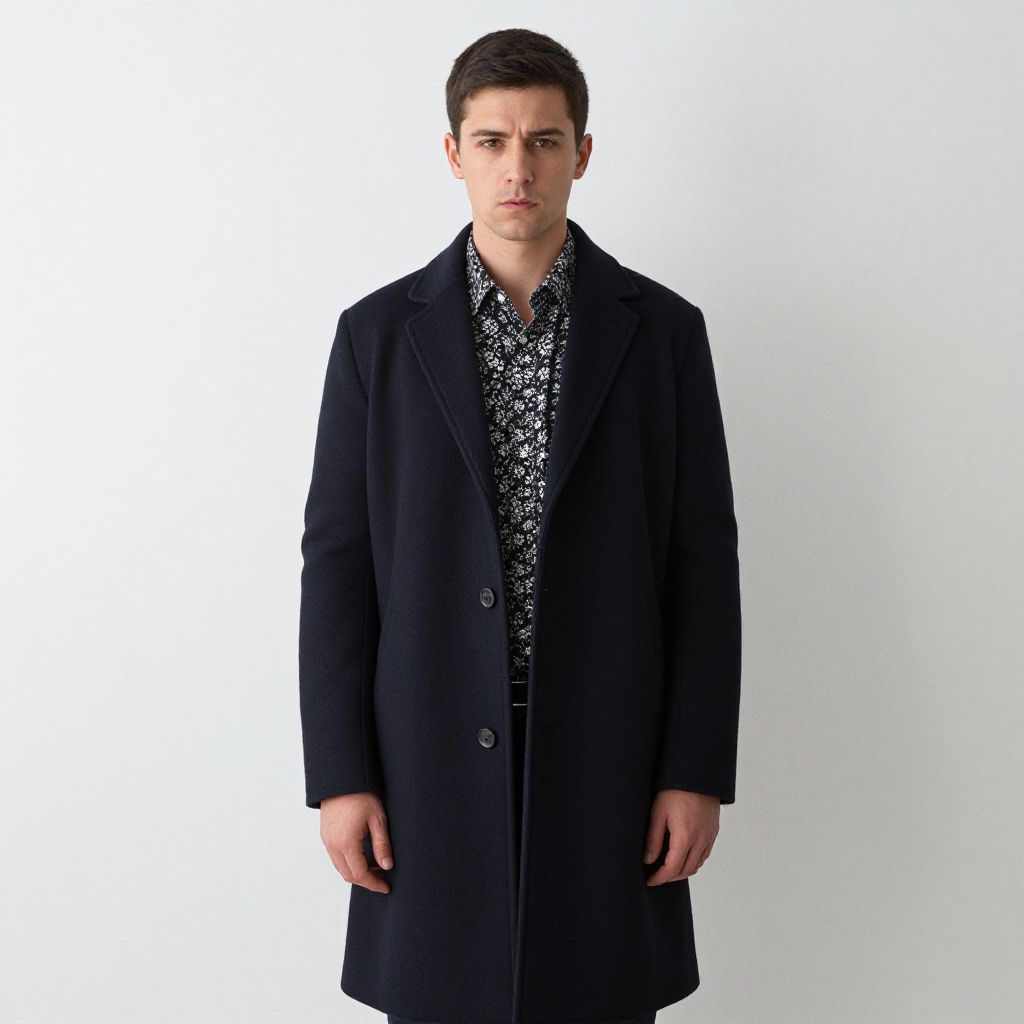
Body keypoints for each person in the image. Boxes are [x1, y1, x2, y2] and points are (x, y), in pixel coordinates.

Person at [299, 27, 742, 1024]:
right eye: (492, 141)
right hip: (424, 756)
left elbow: (701, 565)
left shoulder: (663, 333)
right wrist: (340, 775)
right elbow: (338, 565)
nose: (518, 167)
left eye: (544, 141)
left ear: (581, 153)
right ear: (452, 153)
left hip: (610, 747)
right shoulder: (377, 336)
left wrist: (693, 769)